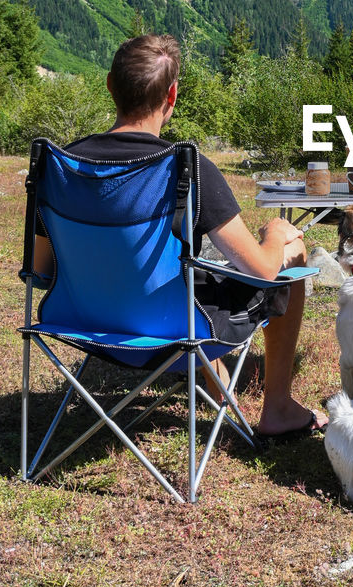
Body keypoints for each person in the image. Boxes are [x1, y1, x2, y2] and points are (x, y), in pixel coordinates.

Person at [32, 33, 326, 440]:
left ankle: (214, 377)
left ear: (109, 85)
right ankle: (277, 407)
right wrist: (277, 236)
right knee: (289, 252)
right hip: (172, 331)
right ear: (172, 95)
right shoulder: (183, 168)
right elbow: (260, 268)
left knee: (191, 273)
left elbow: (39, 270)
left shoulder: (61, 167)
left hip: (80, 324)